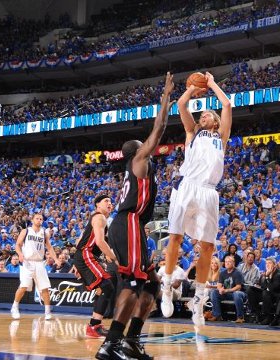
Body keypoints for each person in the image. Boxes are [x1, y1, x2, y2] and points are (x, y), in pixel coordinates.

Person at [96, 72, 174, 360]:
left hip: (134, 225)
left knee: (151, 283)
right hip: (128, 222)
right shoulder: (138, 160)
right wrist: (166, 97)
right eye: (146, 145)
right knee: (133, 283)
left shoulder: (140, 168)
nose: (151, 149)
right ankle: (112, 343)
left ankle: (131, 340)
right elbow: (161, 126)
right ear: (139, 152)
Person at [161, 71, 232, 328]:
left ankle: (200, 302)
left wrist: (212, 83)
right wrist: (192, 89)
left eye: (207, 115)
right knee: (176, 237)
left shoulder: (221, 137)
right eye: (201, 115)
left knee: (207, 247)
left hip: (209, 191)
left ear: (215, 122)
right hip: (187, 186)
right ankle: (167, 285)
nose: (204, 116)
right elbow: (181, 105)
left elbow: (226, 104)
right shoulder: (192, 132)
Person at [73, 194, 119, 339]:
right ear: (98, 205)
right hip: (87, 254)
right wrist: (114, 258)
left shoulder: (98, 219)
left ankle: (94, 326)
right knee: (107, 286)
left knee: (102, 289)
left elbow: (80, 239)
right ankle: (94, 326)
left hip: (85, 255)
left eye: (111, 202)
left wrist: (76, 262)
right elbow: (99, 242)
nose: (110, 203)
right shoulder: (100, 217)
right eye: (106, 201)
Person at [11, 213, 60, 320]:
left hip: (39, 263)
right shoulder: (26, 231)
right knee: (23, 286)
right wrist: (20, 254)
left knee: (45, 288)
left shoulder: (44, 233)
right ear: (32, 220)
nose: (39, 220)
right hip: (27, 262)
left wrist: (56, 259)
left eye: (41, 219)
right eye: (37, 218)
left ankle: (47, 312)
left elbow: (50, 248)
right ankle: (15, 306)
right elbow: (18, 245)